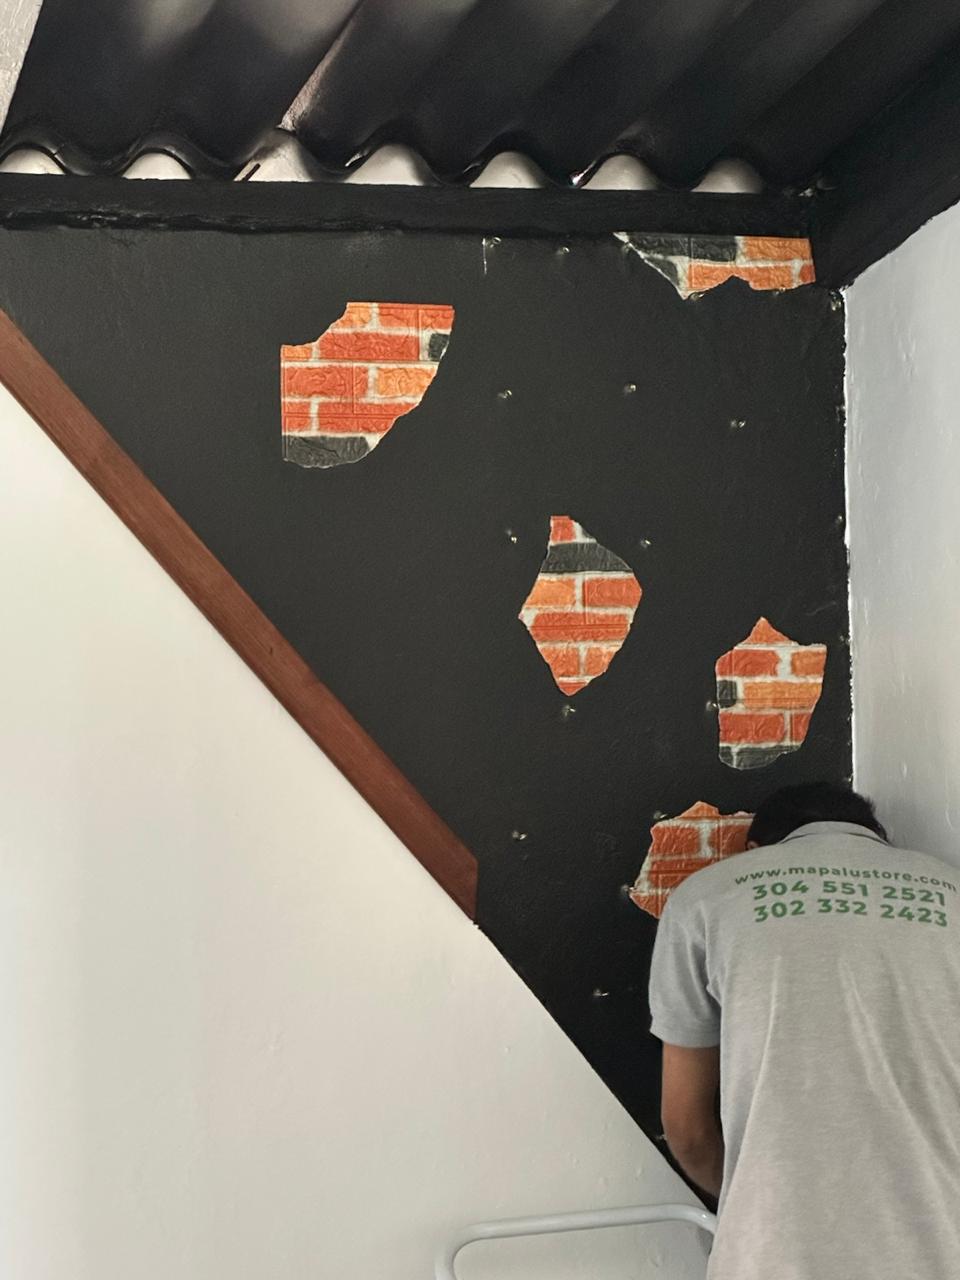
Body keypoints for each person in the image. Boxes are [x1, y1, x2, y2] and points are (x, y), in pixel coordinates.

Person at [649, 781, 960, 1279]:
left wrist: (752, 1202)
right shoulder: (951, 888)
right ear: (877, 839)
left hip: (772, 1252)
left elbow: (686, 1127)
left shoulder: (705, 898)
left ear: (755, 849)